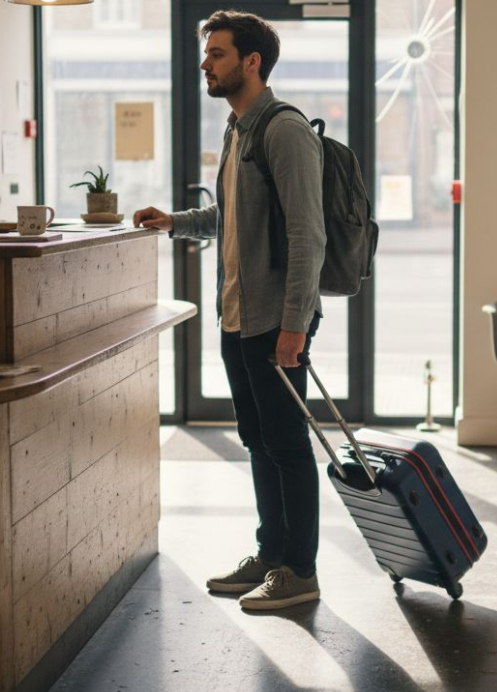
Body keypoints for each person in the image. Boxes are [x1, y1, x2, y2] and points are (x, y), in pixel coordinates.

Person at [133, 10, 326, 612]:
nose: (205, 64)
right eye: (206, 54)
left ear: (251, 62)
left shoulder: (284, 130)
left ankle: (301, 569)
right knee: (258, 440)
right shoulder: (236, 129)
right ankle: (272, 554)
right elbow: (229, 218)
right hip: (238, 315)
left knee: (288, 443)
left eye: (216, 54)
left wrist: (295, 325)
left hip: (275, 320)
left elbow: (307, 235)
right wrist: (175, 223)